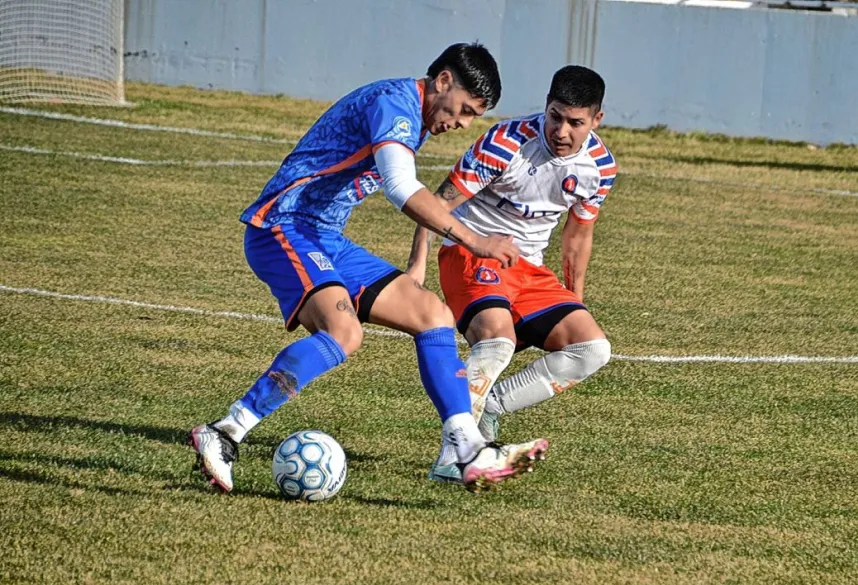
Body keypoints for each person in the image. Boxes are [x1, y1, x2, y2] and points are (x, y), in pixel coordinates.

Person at [189, 43, 549, 494]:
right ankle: (225, 432)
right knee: (344, 333)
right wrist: (476, 241)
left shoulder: (413, 117)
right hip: (283, 226)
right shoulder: (394, 104)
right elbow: (401, 187)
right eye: (464, 110)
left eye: (472, 117)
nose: (460, 124)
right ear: (442, 82)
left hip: (324, 236)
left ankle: (467, 449)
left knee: (432, 315)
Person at [406, 65, 615, 483]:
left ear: (596, 120)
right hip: (470, 252)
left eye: (575, 122)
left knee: (592, 350)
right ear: (546, 106)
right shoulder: (505, 143)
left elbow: (577, 237)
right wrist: (417, 265)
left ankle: (494, 406)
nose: (561, 131)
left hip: (527, 269)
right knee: (497, 340)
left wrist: (574, 298)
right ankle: (454, 457)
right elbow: (439, 203)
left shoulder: (600, 168)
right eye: (555, 116)